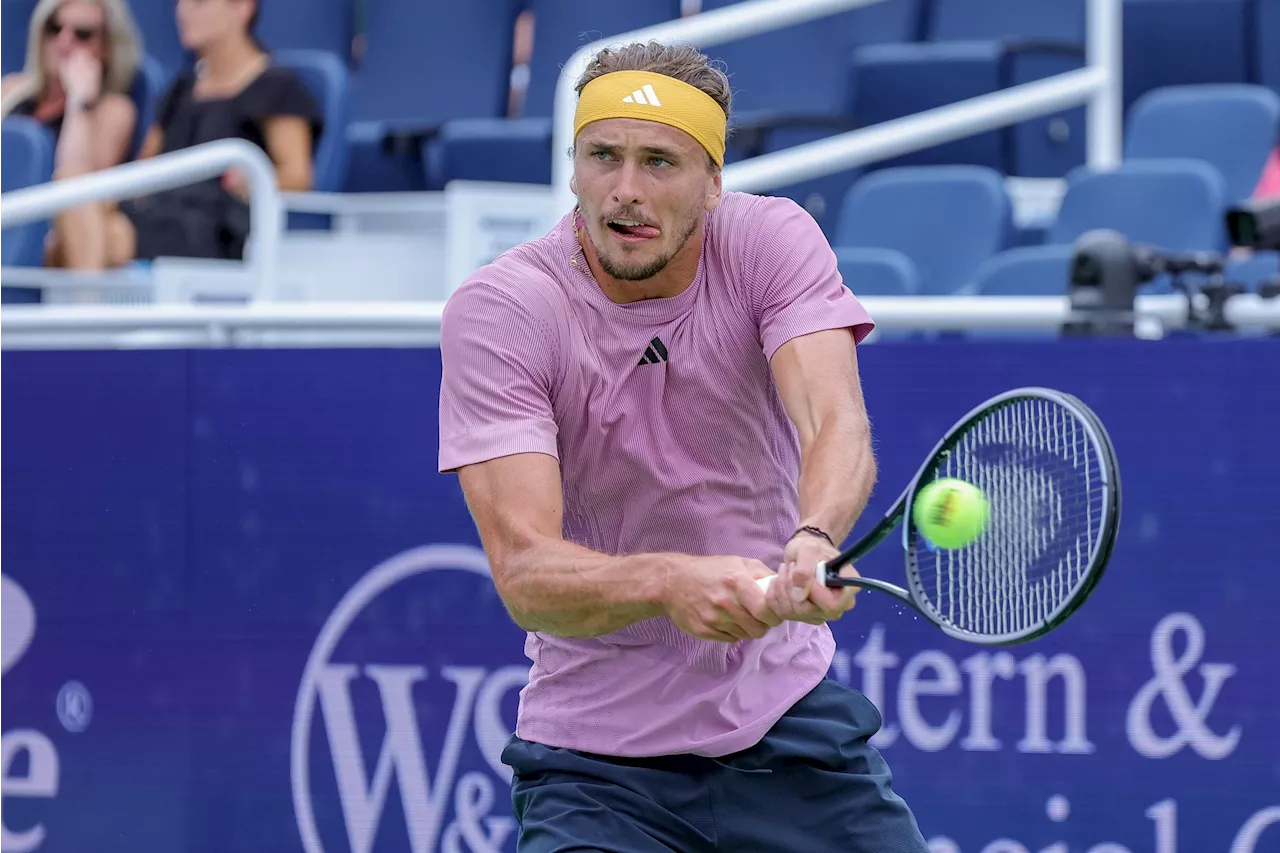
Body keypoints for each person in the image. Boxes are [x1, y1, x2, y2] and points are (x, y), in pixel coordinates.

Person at [438, 40, 929, 853]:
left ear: (713, 183)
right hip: (595, 773)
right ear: (573, 168)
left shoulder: (769, 241)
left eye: (660, 162)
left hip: (788, 734)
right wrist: (669, 581)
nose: (625, 192)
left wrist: (814, 536)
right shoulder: (502, 310)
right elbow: (525, 573)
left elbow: (834, 419)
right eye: (603, 156)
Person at [48, 0, 322, 270]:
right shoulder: (180, 90)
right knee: (70, 196)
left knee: (86, 241)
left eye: (199, 2)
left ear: (243, 7)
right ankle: (90, 306)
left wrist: (249, 180)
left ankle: (87, 309)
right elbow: (144, 173)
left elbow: (298, 177)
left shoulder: (277, 85)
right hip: (158, 215)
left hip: (216, 227)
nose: (182, 11)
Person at [0, 0, 143, 269]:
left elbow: (78, 191)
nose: (64, 42)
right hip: (6, 211)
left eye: (82, 34)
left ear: (106, 47)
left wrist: (79, 103)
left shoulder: (111, 110)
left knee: (113, 230)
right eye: (54, 28)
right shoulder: (10, 91)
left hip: (51, 233)